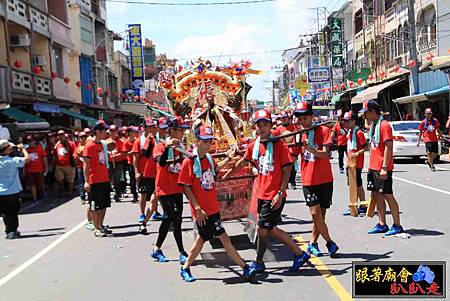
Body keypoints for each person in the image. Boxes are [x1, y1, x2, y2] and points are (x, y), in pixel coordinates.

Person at [232, 108, 310, 278]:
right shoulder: (255, 145)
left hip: (274, 195)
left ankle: (259, 263)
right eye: (259, 125)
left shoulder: (279, 144)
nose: (262, 128)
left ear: (270, 125)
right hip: (261, 194)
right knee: (270, 229)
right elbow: (243, 161)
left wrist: (281, 192)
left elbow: (287, 169)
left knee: (262, 229)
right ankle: (299, 254)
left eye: (265, 124)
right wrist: (225, 172)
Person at [178, 125, 251, 282]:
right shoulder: (189, 162)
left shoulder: (209, 158)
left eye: (210, 140)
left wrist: (230, 158)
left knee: (201, 240)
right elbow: (185, 186)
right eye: (205, 141)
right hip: (203, 212)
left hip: (212, 208)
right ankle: (244, 267)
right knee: (224, 238)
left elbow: (215, 170)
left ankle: (185, 268)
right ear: (197, 141)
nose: (208, 143)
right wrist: (197, 208)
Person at [290, 102, 339, 257]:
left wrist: (310, 148)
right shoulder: (298, 134)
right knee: (315, 213)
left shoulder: (323, 130)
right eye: (299, 118)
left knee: (320, 216)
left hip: (325, 179)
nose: (302, 121)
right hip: (308, 180)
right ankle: (330, 242)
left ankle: (313, 243)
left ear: (312, 116)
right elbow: (291, 156)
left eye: (305, 118)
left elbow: (326, 154)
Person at [360, 99, 404, 236]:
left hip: (382, 167)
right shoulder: (374, 125)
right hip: (373, 166)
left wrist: (384, 167)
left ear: (373, 111)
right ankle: (382, 223)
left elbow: (388, 147)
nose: (364, 116)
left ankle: (397, 225)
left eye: (366, 113)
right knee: (377, 194)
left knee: (387, 195)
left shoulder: (384, 125)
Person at [150, 117, 189, 263]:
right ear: (171, 131)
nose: (182, 133)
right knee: (175, 219)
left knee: (168, 219)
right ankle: (182, 251)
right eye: (180, 130)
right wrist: (167, 147)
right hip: (164, 189)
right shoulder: (160, 145)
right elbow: (160, 161)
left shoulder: (180, 146)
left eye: (183, 130)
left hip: (177, 189)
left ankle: (157, 248)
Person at [83, 121, 112, 237]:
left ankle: (100, 225)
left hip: (104, 179)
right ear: (98, 131)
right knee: (94, 205)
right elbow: (86, 164)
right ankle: (96, 228)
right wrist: (86, 181)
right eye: (104, 130)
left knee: (104, 205)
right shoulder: (89, 146)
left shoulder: (103, 145)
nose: (106, 133)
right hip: (94, 180)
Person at [133, 118, 159, 234]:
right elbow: (135, 158)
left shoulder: (157, 140)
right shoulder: (139, 141)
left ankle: (155, 212)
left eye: (154, 127)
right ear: (145, 128)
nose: (153, 129)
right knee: (143, 194)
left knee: (156, 196)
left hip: (156, 172)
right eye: (150, 127)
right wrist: (136, 172)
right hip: (144, 172)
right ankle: (142, 214)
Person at [0, 140, 30, 239]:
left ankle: (9, 230)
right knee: (13, 212)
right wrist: (22, 149)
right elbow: (27, 159)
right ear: (6, 150)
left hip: (1, 192)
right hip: (12, 191)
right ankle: (13, 230)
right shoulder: (13, 160)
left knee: (5, 213)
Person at [342, 111, 367, 216]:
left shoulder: (358, 132)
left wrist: (357, 153)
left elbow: (366, 147)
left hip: (357, 162)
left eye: (347, 121)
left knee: (357, 184)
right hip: (350, 162)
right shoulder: (350, 132)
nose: (346, 124)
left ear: (353, 121)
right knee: (351, 184)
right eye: (345, 121)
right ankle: (354, 205)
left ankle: (362, 205)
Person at [23, 135, 48, 204]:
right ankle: (35, 198)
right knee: (32, 185)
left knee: (41, 184)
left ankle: (43, 193)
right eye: (28, 141)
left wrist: (46, 168)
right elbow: (24, 161)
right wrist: (24, 170)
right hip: (30, 170)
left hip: (39, 170)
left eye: (31, 141)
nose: (30, 143)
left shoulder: (39, 148)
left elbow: (44, 158)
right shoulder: (26, 150)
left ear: (34, 141)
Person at [417, 108, 442, 172]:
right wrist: (418, 141)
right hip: (427, 139)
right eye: (427, 114)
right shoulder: (423, 122)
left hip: (434, 139)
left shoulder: (435, 121)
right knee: (429, 153)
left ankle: (429, 161)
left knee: (436, 153)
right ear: (425, 114)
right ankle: (432, 166)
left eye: (430, 114)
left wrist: (441, 135)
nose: (429, 115)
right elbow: (420, 132)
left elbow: (438, 129)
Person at [54, 130, 76, 197]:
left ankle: (69, 192)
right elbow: (55, 154)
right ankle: (62, 190)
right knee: (59, 179)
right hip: (59, 165)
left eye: (62, 134)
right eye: (59, 135)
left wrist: (75, 161)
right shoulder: (57, 144)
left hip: (69, 165)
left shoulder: (71, 143)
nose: (60, 136)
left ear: (64, 135)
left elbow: (75, 152)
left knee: (70, 180)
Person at [122, 126, 139, 203]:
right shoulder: (126, 142)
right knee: (132, 180)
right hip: (131, 163)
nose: (136, 133)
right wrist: (133, 151)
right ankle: (134, 195)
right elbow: (125, 154)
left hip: (138, 162)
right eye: (134, 132)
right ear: (130, 133)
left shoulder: (136, 141)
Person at [75, 132, 88, 204]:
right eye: (81, 138)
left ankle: (90, 195)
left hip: (88, 166)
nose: (83, 139)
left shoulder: (88, 146)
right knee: (81, 182)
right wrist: (77, 156)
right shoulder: (77, 147)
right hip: (80, 166)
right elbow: (75, 156)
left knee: (88, 181)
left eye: (84, 138)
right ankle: (82, 197)